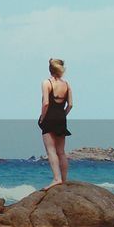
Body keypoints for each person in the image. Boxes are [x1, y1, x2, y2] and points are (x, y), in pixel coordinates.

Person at [37, 58, 72, 187]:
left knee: (51, 150)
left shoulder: (47, 83)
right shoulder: (67, 85)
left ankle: (57, 179)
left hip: (49, 117)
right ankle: (64, 179)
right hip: (61, 118)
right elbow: (71, 105)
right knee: (61, 151)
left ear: (50, 69)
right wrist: (63, 115)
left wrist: (42, 117)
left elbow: (46, 103)